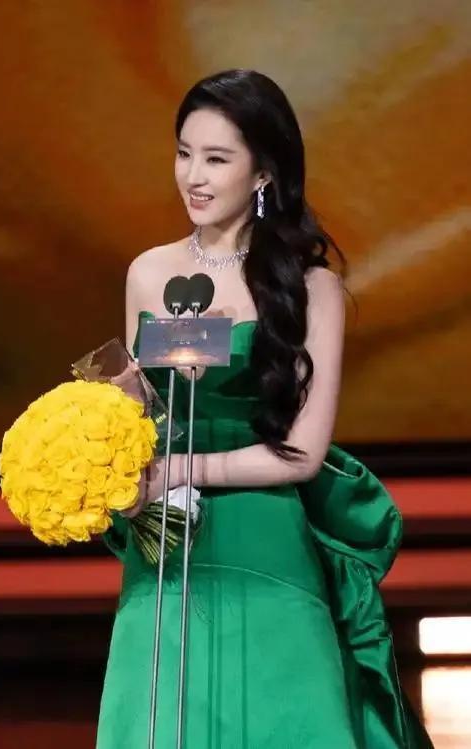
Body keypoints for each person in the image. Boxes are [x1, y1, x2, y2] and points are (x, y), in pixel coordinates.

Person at [97, 69, 433, 748]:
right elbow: (141, 419)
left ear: (263, 173)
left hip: (265, 540)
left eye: (217, 159)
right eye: (184, 152)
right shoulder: (148, 273)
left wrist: (182, 469)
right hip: (168, 544)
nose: (193, 176)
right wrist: (109, 442)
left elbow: (302, 453)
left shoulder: (311, 288)